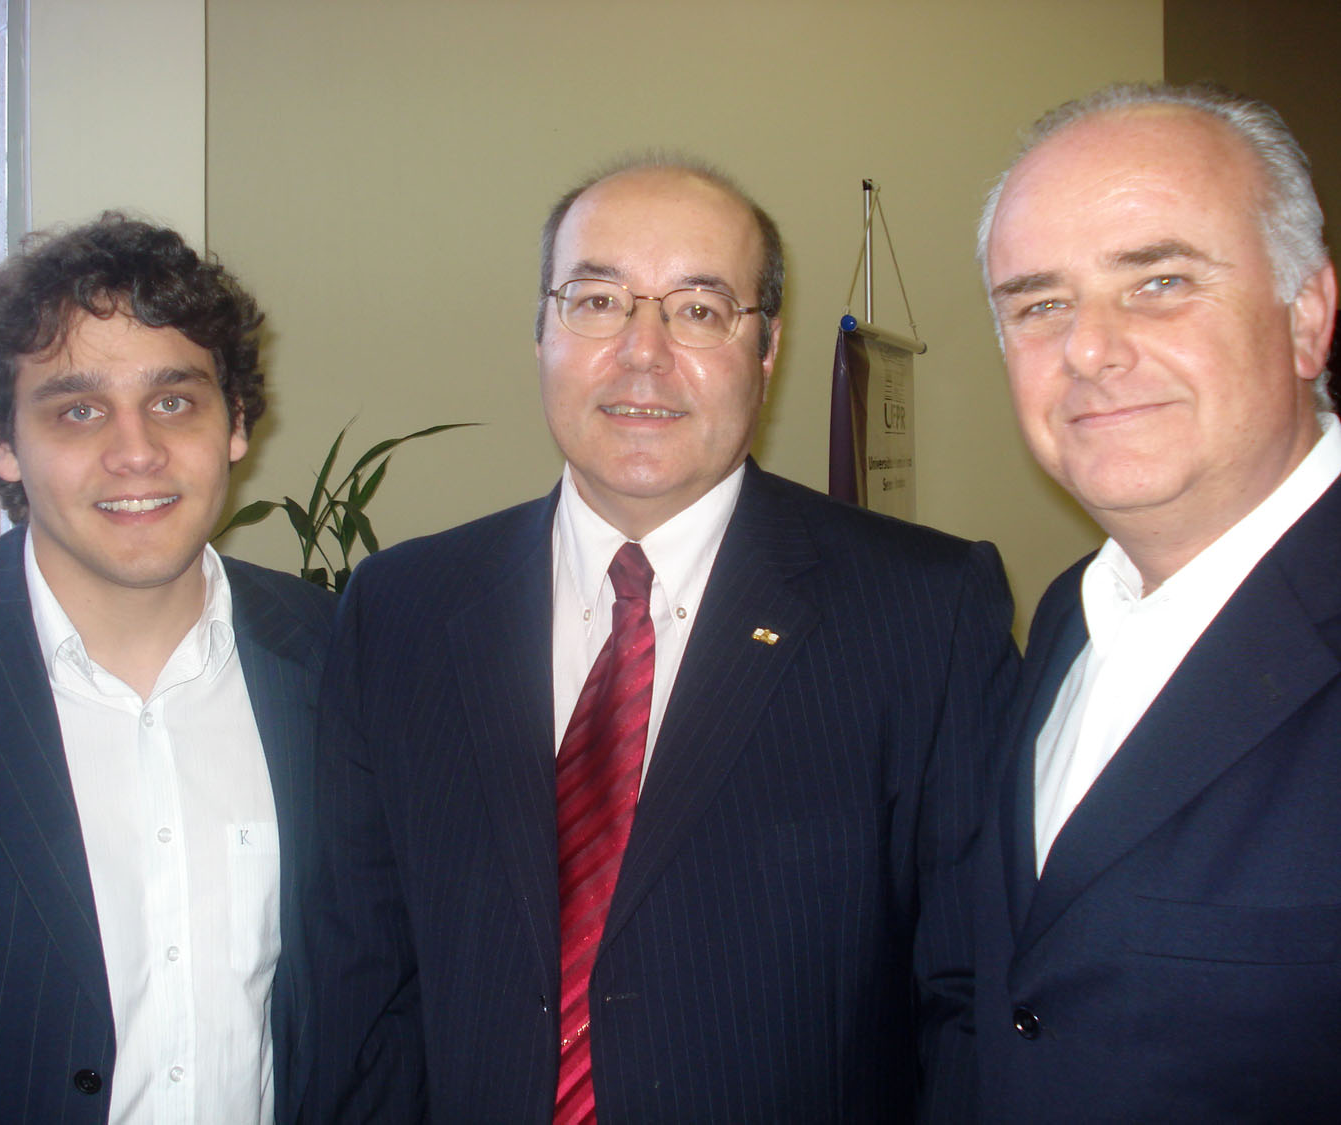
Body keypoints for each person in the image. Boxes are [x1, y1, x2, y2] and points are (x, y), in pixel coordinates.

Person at [306, 159, 1017, 1122]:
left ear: (766, 352)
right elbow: (360, 987)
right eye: (597, 299)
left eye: (698, 308)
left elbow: (973, 1002)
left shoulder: (925, 614)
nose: (642, 352)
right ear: (542, 332)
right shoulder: (399, 612)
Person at [0, 214, 334, 1123]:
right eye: (77, 409)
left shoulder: (342, 659)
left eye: (175, 400)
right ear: (1, 443)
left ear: (237, 424)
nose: (135, 450)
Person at [974, 83, 1341, 1118]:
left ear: (1307, 316)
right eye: (1040, 303)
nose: (1088, 350)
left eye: (1161, 280)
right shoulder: (1060, 621)